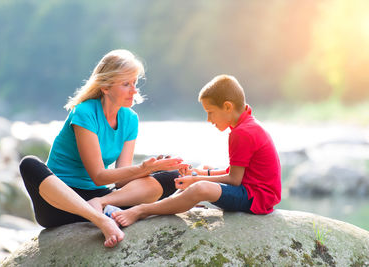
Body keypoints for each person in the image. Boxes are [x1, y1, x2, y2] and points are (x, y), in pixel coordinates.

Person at [19, 49, 186, 248]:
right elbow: (98, 174)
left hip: (99, 198)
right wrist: (143, 169)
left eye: (134, 83)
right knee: (29, 163)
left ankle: (102, 206)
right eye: (126, 84)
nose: (134, 90)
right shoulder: (84, 112)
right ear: (105, 87)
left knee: (172, 177)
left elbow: (122, 180)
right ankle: (103, 220)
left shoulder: (130, 118)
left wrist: (155, 168)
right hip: (61, 203)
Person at [112, 74, 282, 227]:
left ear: (228, 107)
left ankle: (142, 210)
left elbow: (235, 179)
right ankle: (173, 201)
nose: (208, 119)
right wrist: (198, 173)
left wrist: (195, 180)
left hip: (256, 198)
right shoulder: (247, 123)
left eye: (211, 112)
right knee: (204, 169)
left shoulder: (242, 132)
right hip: (253, 190)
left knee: (201, 188)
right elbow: (237, 172)